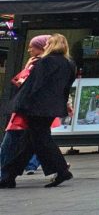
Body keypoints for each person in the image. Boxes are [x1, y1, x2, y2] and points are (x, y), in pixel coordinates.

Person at [0, 34, 77, 189]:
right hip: (52, 107)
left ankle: (61, 169)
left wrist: (20, 104)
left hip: (36, 107)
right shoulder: (69, 63)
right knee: (30, 140)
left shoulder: (45, 62)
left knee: (40, 139)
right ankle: (9, 176)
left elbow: (32, 85)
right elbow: (67, 86)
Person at [0, 35, 54, 179]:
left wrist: (26, 67)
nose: (29, 49)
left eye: (32, 47)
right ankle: (55, 166)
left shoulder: (38, 63)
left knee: (11, 140)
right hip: (36, 109)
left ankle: (5, 173)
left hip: (27, 108)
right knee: (35, 139)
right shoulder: (48, 63)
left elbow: (21, 82)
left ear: (41, 47)